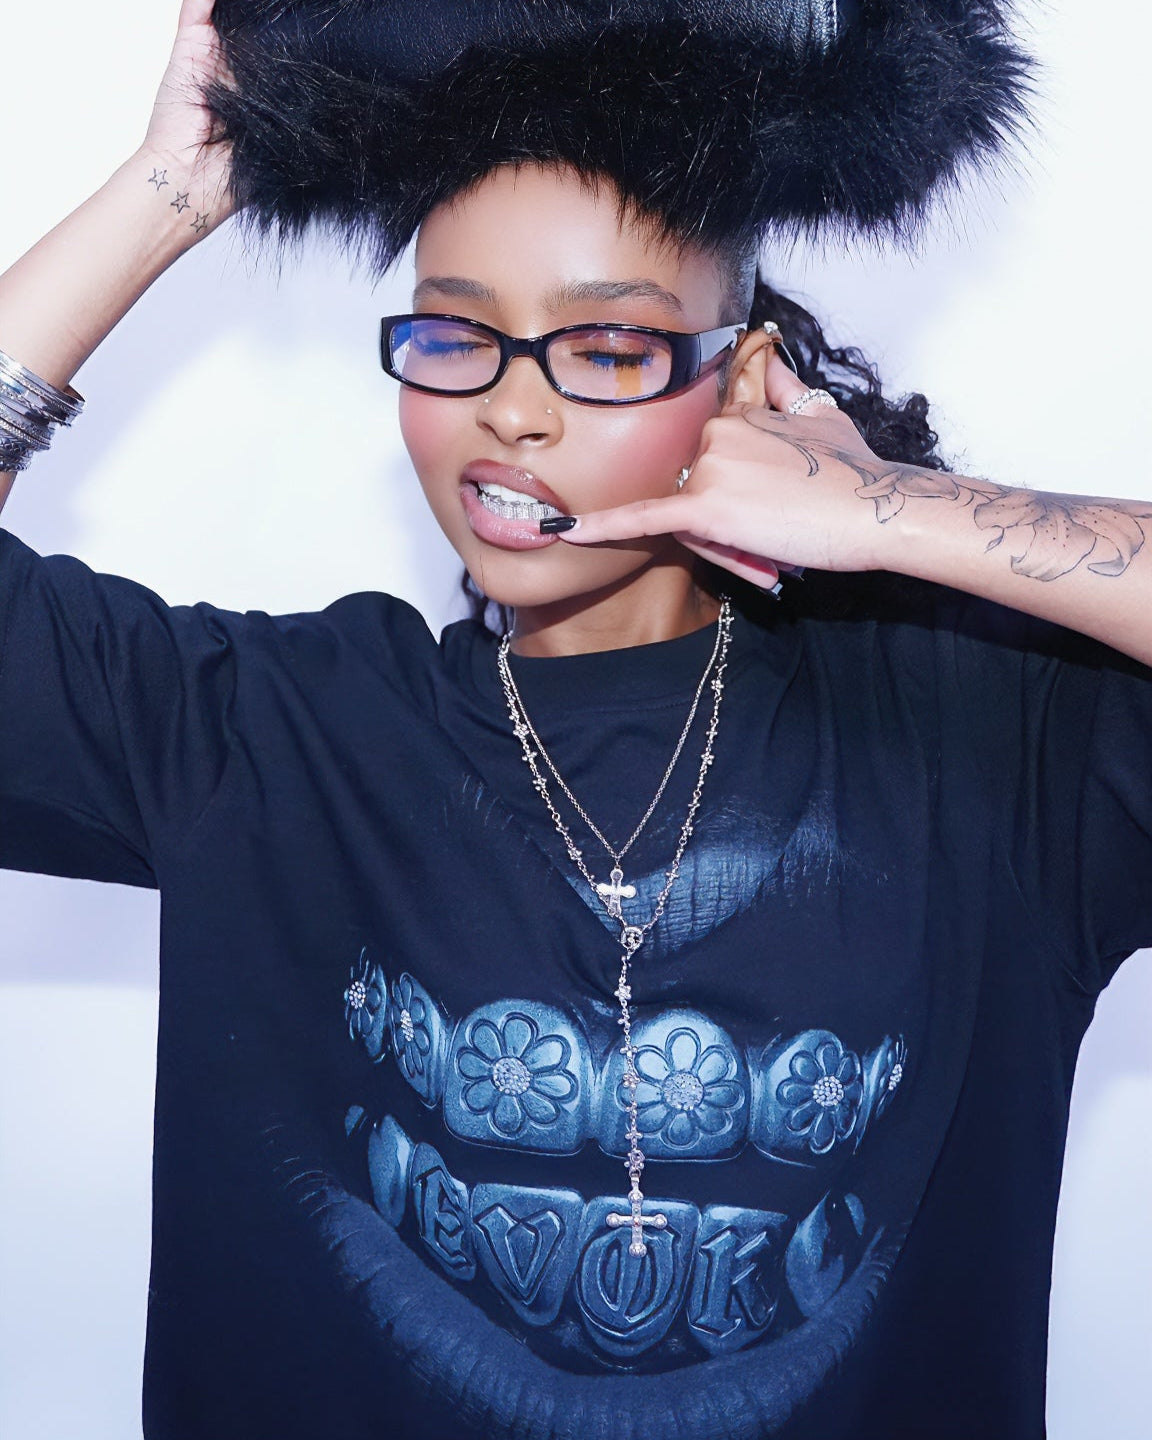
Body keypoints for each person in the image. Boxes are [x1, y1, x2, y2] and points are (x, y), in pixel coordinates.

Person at [0, 2, 1147, 1438]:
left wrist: (898, 509)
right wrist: (176, 185)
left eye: (606, 347)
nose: (513, 412)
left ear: (743, 378)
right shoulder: (264, 737)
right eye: (454, 336)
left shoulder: (997, 749)